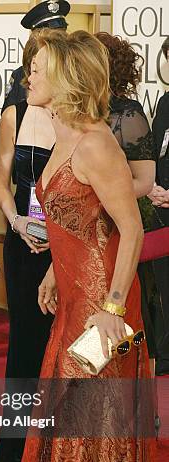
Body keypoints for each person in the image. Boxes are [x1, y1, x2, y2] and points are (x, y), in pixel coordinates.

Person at [4, 30, 169, 462]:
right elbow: (77, 218)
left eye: (40, 69)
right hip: (74, 299)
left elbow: (130, 230)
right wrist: (54, 269)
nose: (30, 77)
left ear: (68, 77)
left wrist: (113, 308)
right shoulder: (60, 132)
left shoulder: (98, 143)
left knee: (90, 426)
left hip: (107, 311)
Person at [0, 33, 55, 462]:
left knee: (66, 353)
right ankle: (10, 454)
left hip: (65, 247)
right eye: (32, 64)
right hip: (23, 241)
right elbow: (0, 180)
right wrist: (15, 221)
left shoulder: (80, 120)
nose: (32, 74)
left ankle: (58, 456)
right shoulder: (14, 112)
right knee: (24, 348)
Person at [95, 32, 157, 367]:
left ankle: (127, 400)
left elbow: (145, 182)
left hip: (119, 229)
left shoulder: (128, 115)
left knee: (123, 322)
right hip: (84, 234)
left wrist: (100, 194)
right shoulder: (78, 113)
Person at [2, 0, 70, 112]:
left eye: (61, 34)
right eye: (52, 37)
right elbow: (9, 117)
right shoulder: (21, 75)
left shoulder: (76, 71)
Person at [147, 35, 169, 376]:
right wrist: (150, 186)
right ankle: (163, 351)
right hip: (159, 210)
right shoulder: (165, 102)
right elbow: (152, 152)